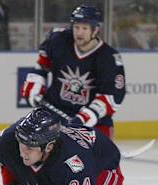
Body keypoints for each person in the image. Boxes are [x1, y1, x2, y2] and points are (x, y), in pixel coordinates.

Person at [21, 5, 126, 138]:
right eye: (76, 27)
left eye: (84, 28)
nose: (79, 32)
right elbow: (42, 66)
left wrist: (83, 118)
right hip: (54, 111)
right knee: (23, 141)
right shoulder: (59, 41)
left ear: (95, 30)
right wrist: (34, 86)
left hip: (93, 122)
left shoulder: (108, 58)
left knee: (100, 156)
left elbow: (111, 96)